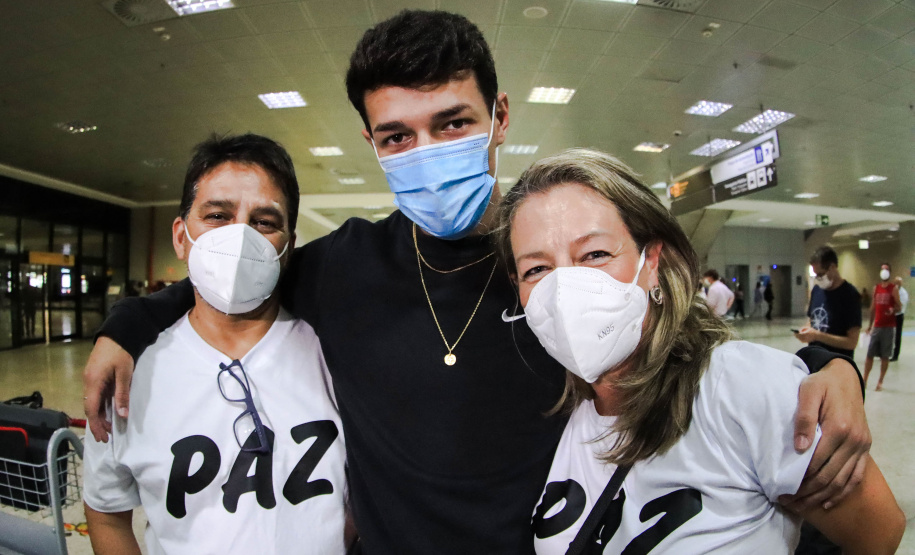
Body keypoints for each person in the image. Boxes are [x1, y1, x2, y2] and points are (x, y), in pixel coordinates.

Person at [82, 10, 871, 553]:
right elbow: (236, 272)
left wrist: (827, 366)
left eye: (452, 122)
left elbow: (687, 340)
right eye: (397, 135)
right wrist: (127, 325)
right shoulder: (341, 266)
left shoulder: (553, 264)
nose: (426, 151)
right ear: (371, 143)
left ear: (499, 116)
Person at [495, 149, 904, 554]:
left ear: (651, 261)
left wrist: (834, 367)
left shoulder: (738, 388)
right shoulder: (555, 411)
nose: (564, 289)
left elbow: (879, 534)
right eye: (537, 269)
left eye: (596, 254)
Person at [82, 134, 347, 555]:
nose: (240, 237)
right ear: (181, 237)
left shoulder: (337, 356)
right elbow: (106, 513)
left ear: (289, 247)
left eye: (264, 222)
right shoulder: (128, 372)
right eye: (218, 215)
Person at [795, 247, 862, 359]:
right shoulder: (817, 290)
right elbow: (812, 321)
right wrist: (805, 331)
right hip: (815, 359)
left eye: (821, 274)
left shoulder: (850, 295)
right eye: (816, 275)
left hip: (838, 362)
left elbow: (851, 342)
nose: (818, 279)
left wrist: (818, 336)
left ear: (832, 267)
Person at [864, 263, 901, 390]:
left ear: (890, 272)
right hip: (877, 326)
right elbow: (873, 308)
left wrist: (893, 309)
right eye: (882, 269)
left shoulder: (893, 289)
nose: (884, 271)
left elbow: (899, 306)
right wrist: (870, 325)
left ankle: (880, 381)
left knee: (885, 355)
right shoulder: (876, 288)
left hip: (888, 327)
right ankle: (864, 379)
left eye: (886, 269)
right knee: (870, 354)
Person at [890, 276, 907, 361]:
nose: (896, 284)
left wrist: (891, 309)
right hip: (891, 315)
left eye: (898, 283)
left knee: (897, 336)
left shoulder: (903, 293)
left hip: (898, 316)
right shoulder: (892, 290)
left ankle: (895, 355)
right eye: (895, 282)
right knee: (889, 334)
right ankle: (886, 353)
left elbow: (899, 307)